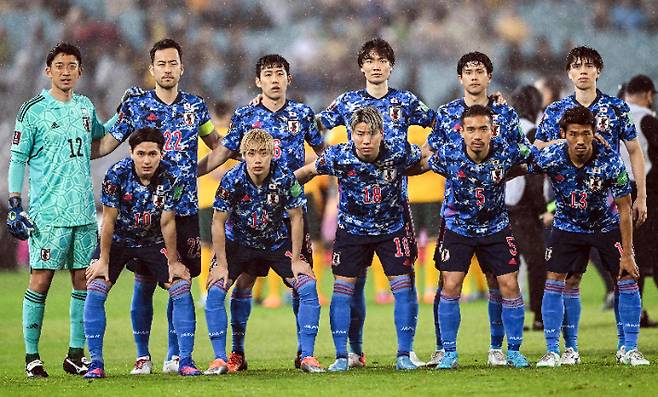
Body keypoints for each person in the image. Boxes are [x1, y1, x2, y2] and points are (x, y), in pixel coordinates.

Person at [91, 38, 220, 374]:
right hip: (142, 214)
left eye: (172, 63)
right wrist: (73, 151)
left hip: (185, 210)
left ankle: (175, 355)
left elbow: (217, 146)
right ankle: (142, 356)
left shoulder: (196, 107)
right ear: (152, 69)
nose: (167, 69)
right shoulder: (136, 105)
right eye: (160, 64)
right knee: (144, 284)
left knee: (180, 282)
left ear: (181, 67)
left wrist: (196, 170)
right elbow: (106, 142)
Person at [198, 54, 324, 371]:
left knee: (301, 280)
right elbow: (223, 153)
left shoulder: (303, 114)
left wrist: (310, 172)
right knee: (242, 284)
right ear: (258, 81)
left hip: (289, 212)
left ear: (288, 79)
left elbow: (325, 155)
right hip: (247, 218)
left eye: (280, 74)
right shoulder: (246, 115)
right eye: (268, 74)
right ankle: (235, 354)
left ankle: (303, 352)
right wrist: (188, 174)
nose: (274, 79)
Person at [317, 37, 435, 368]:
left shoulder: (406, 101)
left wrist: (423, 157)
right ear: (361, 66)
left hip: (394, 209)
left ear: (391, 66)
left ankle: (405, 351)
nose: (376, 65)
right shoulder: (347, 102)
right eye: (369, 60)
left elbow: (441, 125)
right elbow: (313, 128)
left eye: (382, 59)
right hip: (353, 213)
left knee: (403, 281)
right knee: (351, 287)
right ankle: (352, 352)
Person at [534, 46, 647, 364]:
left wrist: (642, 196)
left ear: (599, 71)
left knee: (626, 274)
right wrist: (572, 141)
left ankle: (628, 347)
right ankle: (566, 349)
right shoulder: (556, 110)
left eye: (589, 66)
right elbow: (537, 150)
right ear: (569, 73)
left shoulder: (615, 108)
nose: (583, 71)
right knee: (568, 279)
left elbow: (635, 151)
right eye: (577, 66)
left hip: (609, 209)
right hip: (569, 210)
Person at [7, 42, 107, 378]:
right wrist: (15, 202)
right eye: (60, 66)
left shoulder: (85, 107)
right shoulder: (33, 110)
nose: (66, 71)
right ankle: (32, 357)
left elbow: (98, 144)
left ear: (81, 71)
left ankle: (75, 355)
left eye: (72, 66)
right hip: (48, 214)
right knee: (41, 280)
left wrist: (126, 113)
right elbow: (18, 158)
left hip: (82, 211)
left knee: (83, 282)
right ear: (48, 70)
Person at [296, 106, 422, 371]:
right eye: (360, 134)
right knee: (342, 292)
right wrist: (275, 185)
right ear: (351, 134)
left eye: (372, 134)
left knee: (404, 289)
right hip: (352, 232)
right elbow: (307, 172)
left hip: (392, 229)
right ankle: (342, 357)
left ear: (382, 134)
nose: (366, 140)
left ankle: (403, 354)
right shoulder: (339, 155)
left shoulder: (399, 150)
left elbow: (425, 161)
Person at [423, 51, 529, 367]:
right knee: (448, 282)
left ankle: (500, 347)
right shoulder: (446, 114)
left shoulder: (505, 115)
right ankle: (445, 348)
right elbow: (430, 154)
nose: (473, 77)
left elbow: (521, 157)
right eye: (467, 72)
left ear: (489, 76)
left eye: (479, 71)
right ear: (460, 78)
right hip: (456, 215)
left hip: (495, 213)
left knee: (502, 281)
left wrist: (493, 173)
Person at [83, 128, 201, 378]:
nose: (146, 160)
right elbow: (109, 221)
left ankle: (186, 361)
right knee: (95, 288)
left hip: (153, 240)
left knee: (180, 287)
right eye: (141, 154)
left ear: (161, 153)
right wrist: (103, 260)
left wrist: (173, 262)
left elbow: (168, 222)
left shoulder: (172, 176)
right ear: (131, 153)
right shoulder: (116, 174)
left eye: (152, 154)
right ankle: (95, 363)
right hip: (119, 240)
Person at [507, 85, 546, 331]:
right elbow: (533, 176)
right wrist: (541, 208)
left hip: (501, 205)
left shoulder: (506, 129)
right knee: (536, 260)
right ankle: (539, 315)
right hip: (523, 207)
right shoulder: (531, 132)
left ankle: (509, 317)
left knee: (508, 263)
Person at [621, 74, 658, 327]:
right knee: (651, 255)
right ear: (648, 95)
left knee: (631, 254)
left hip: (618, 193)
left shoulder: (616, 116)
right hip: (648, 194)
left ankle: (634, 314)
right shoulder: (647, 119)